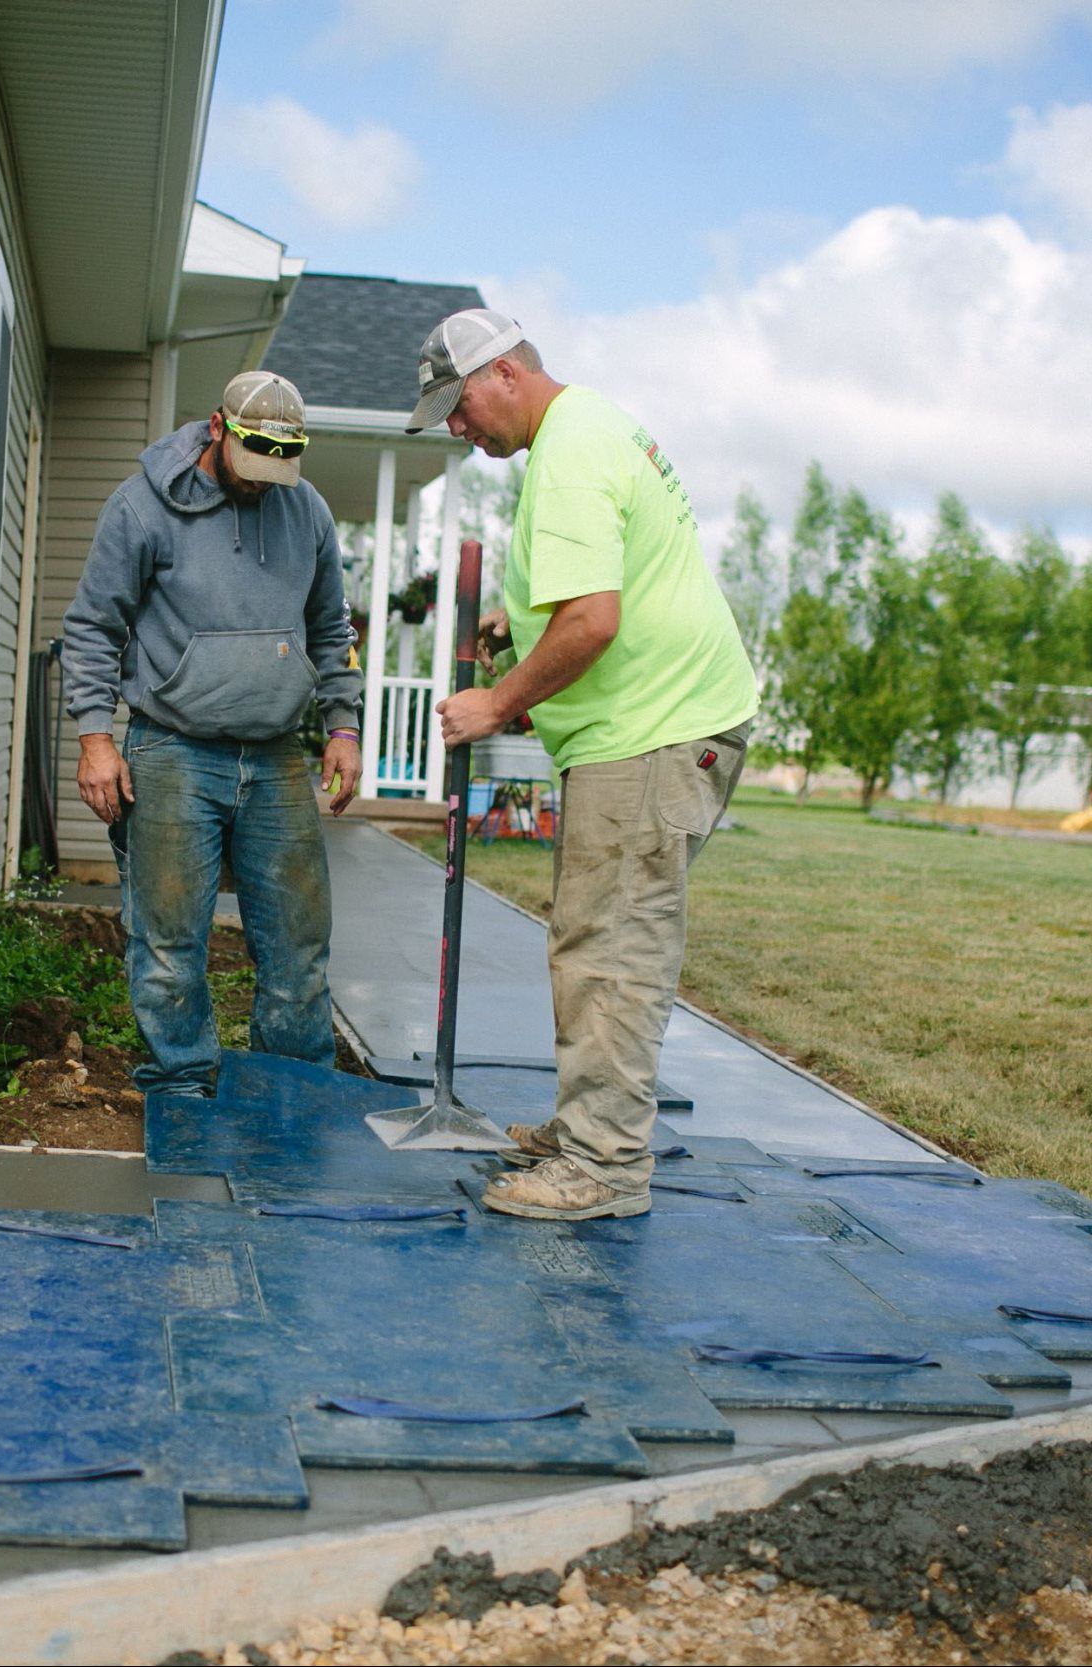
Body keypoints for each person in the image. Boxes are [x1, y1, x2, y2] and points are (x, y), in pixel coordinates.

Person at [413, 310, 757, 1220]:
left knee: (612, 948)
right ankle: (587, 1130)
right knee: (591, 936)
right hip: (658, 725)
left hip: (652, 733)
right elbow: (593, 596)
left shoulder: (566, 453)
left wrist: (496, 699)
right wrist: (518, 626)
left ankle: (603, 1165)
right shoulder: (591, 426)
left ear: (507, 375)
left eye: (459, 405)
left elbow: (593, 622)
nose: (457, 426)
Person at [63, 371, 365, 1100]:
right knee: (169, 945)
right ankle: (180, 1087)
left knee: (297, 945)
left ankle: (293, 1091)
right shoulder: (143, 506)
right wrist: (95, 737)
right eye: (254, 465)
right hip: (173, 750)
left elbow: (332, 628)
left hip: (274, 755)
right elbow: (93, 627)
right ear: (218, 429)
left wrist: (344, 725)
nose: (265, 484)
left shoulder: (307, 509)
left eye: (279, 470)